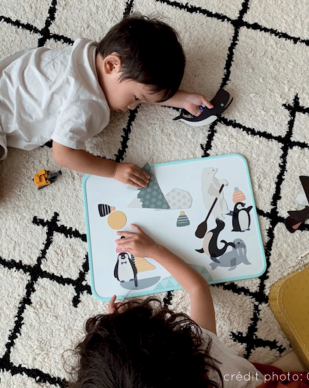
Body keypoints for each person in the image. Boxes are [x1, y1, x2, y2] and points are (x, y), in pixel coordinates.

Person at [0, 14, 213, 188]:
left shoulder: (90, 54)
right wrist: (113, 170)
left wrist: (181, 99)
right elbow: (63, 153)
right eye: (136, 99)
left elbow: (136, 83)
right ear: (111, 65)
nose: (132, 107)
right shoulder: (84, 102)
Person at [68, 224, 265, 388]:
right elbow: (197, 288)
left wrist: (122, 332)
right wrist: (154, 250)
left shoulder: (198, 368)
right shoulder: (207, 359)